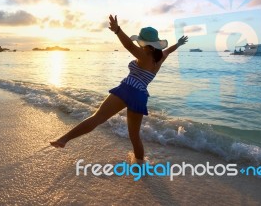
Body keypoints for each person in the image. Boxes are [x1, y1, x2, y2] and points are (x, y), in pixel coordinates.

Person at [50, 14, 188, 162]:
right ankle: (140, 163)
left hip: (127, 89)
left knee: (97, 118)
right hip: (140, 96)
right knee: (135, 136)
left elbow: (128, 45)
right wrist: (178, 44)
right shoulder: (159, 58)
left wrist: (118, 30)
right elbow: (169, 50)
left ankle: (65, 138)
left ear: (145, 43)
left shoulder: (143, 55)